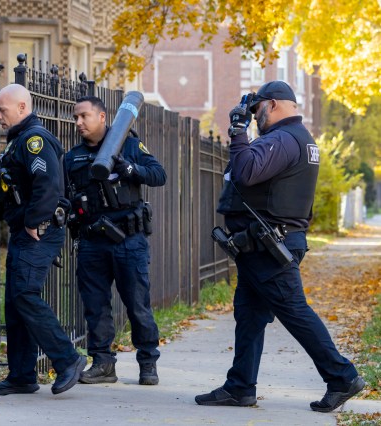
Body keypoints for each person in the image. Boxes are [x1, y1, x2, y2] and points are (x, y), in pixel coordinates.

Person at [195, 81, 364, 411]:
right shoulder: (296, 139)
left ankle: (342, 376)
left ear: (272, 105)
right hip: (266, 244)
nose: (255, 118)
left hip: (269, 246)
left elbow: (245, 172)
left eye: (257, 111)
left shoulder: (284, 139)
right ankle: (240, 387)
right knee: (249, 314)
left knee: (295, 311)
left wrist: (238, 131)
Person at [0, 83, 87, 396]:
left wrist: (36, 221)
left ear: (22, 108)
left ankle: (69, 360)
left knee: (24, 294)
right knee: (15, 302)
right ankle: (22, 375)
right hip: (26, 229)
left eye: (2, 110)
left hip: (39, 231)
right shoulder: (19, 140)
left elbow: (48, 184)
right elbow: (15, 188)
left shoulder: (35, 140)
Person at [65, 96, 166, 386]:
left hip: (128, 240)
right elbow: (65, 194)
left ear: (102, 117)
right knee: (95, 306)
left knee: (137, 304)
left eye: (84, 116)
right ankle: (103, 364)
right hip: (91, 242)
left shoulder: (130, 146)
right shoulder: (73, 157)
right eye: (76, 118)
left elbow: (160, 175)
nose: (78, 123)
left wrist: (130, 170)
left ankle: (148, 363)